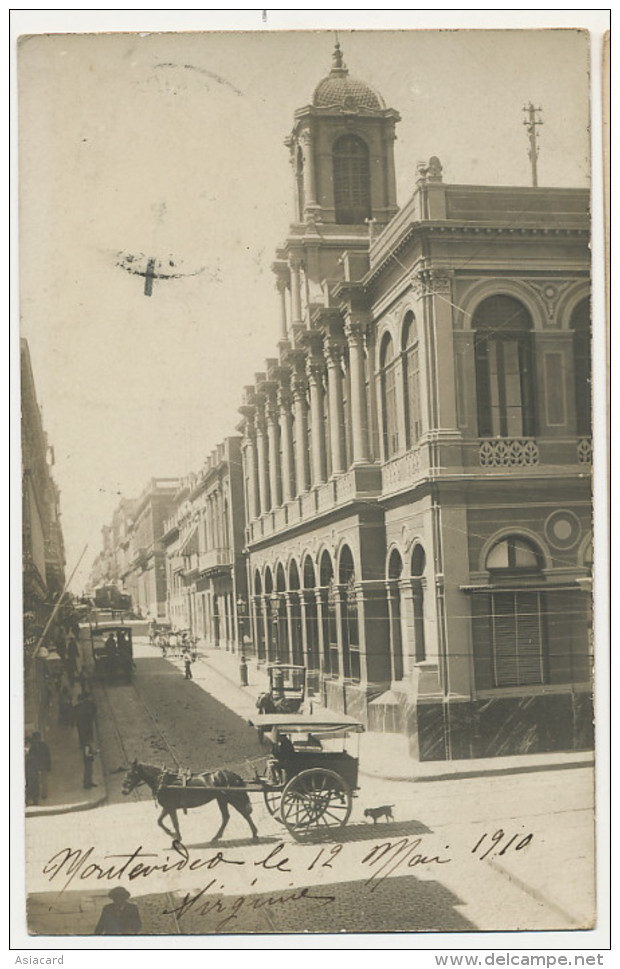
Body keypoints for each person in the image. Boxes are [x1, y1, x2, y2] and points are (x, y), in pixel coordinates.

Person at [28, 732, 51, 800]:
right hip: (37, 766)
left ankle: (43, 794)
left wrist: (48, 765)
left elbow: (48, 756)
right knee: (40, 781)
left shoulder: (40, 746)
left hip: (41, 766)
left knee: (43, 780)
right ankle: (40, 794)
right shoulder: (40, 746)